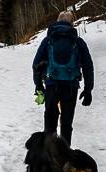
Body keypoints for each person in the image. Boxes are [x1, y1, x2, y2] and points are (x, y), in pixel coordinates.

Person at [32, 10, 94, 146]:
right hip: (70, 87)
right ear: (72, 23)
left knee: (50, 121)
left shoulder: (48, 40)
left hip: (51, 85)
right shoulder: (78, 41)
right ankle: (64, 158)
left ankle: (49, 155)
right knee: (66, 124)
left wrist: (38, 85)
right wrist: (88, 89)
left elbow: (36, 64)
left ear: (57, 21)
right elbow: (88, 67)